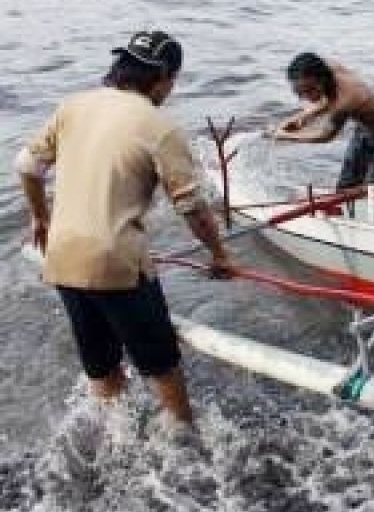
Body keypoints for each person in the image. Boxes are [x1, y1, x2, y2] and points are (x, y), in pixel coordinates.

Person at [14, 31, 233, 429]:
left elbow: (27, 166)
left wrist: (41, 218)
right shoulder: (160, 126)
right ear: (164, 77)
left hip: (63, 261)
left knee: (104, 373)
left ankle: (113, 444)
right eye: (173, 81)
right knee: (163, 369)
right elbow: (193, 209)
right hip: (117, 266)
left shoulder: (72, 106)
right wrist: (220, 255)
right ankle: (185, 448)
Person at [272, 53, 374, 192]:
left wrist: (286, 136)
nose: (306, 96)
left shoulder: (345, 100)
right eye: (299, 92)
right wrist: (301, 118)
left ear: (322, 80)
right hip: (363, 130)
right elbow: (328, 99)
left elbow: (325, 136)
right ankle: (349, 212)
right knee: (345, 188)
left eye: (310, 90)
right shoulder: (326, 68)